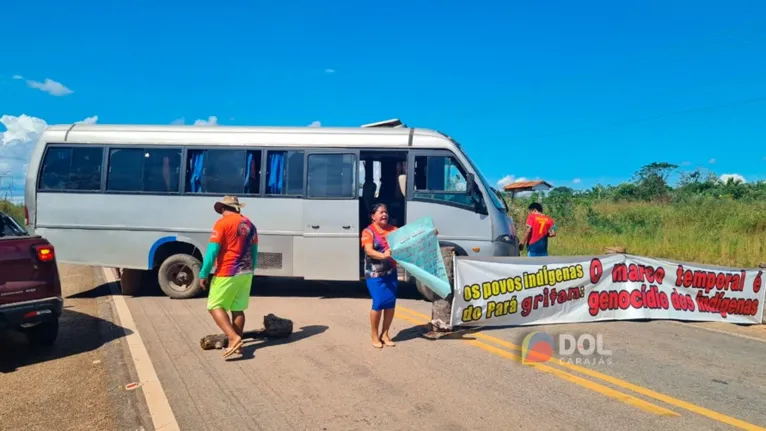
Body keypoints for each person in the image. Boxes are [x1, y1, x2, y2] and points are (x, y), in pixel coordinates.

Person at [198, 195, 258, 359]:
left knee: (214, 305)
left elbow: (212, 251)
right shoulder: (250, 224)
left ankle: (233, 337)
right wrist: (251, 270)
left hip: (228, 271)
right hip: (246, 272)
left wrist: (204, 273)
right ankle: (236, 346)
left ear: (223, 208)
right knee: (237, 308)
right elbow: (254, 251)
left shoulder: (222, 223)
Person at [361, 203, 400, 349]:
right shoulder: (368, 232)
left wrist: (428, 233)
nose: (385, 215)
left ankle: (385, 334)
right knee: (378, 303)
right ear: (373, 216)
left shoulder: (394, 230)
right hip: (375, 275)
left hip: (391, 273)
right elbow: (369, 251)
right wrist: (383, 255)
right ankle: (374, 335)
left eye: (386, 212)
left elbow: (410, 239)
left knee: (390, 303)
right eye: (381, 212)